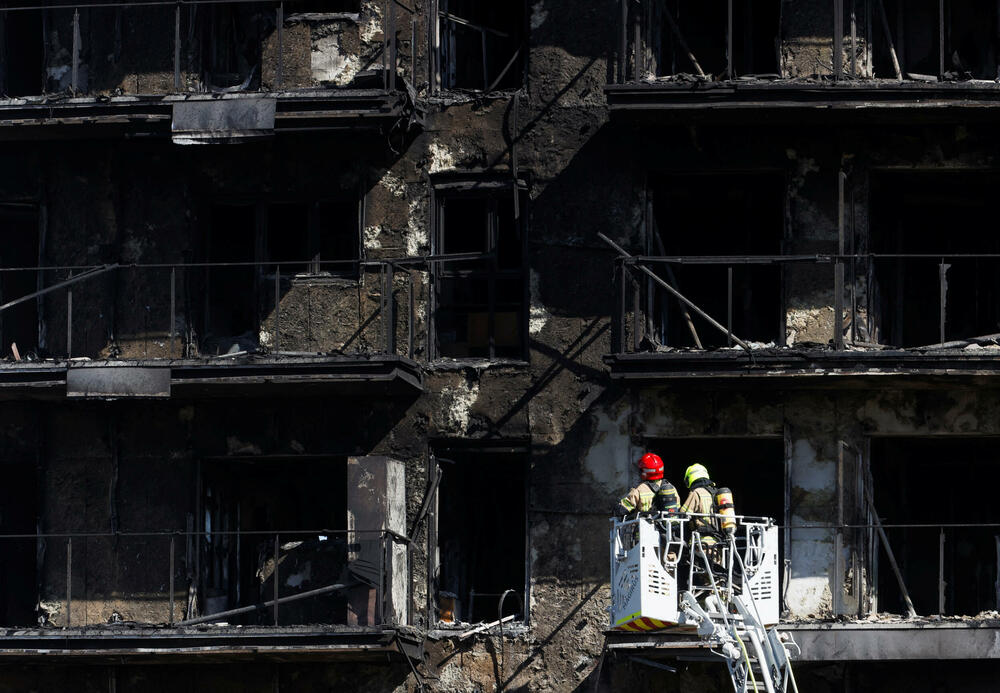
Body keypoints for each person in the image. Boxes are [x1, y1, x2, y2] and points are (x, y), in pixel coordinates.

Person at [680, 463, 721, 556]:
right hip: (719, 543)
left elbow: (683, 515)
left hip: (701, 543)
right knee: (717, 569)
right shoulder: (717, 493)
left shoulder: (696, 493)